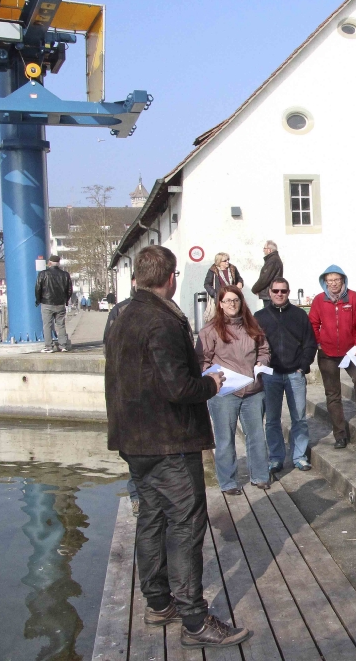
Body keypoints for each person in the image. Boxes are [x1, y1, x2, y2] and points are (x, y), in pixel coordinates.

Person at [105, 245, 250, 648]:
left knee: (152, 519)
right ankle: (195, 621)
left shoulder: (121, 315)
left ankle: (158, 603)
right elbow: (177, 387)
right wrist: (211, 383)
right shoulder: (162, 320)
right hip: (168, 439)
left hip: (134, 439)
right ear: (170, 278)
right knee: (186, 525)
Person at [196, 285, 272, 493]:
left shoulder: (252, 326)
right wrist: (211, 378)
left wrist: (262, 362)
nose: (232, 304)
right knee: (225, 438)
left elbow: (264, 350)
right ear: (220, 304)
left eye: (235, 300)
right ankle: (228, 482)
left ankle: (260, 476)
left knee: (256, 436)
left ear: (241, 302)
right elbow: (202, 360)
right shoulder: (210, 330)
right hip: (224, 392)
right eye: (227, 300)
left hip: (253, 390)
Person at [308, 267, 356, 450]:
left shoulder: (353, 298)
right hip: (327, 353)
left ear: (343, 280)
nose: (333, 284)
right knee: (333, 394)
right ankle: (339, 434)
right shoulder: (319, 300)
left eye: (336, 280)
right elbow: (313, 323)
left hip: (351, 350)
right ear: (325, 282)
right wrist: (318, 342)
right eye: (329, 280)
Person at [255, 278, 317, 470]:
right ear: (270, 292)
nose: (279, 294)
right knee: (272, 420)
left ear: (288, 292)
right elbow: (254, 345)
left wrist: (302, 366)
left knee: (299, 418)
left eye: (283, 291)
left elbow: (310, 343)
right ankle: (276, 458)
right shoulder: (259, 317)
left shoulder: (299, 315)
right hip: (270, 375)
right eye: (276, 291)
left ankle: (299, 456)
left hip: (294, 373)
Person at [105, 273, 139, 514]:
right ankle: (136, 496)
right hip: (129, 391)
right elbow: (109, 348)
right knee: (135, 450)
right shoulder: (120, 310)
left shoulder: (170, 309)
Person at [35, 254, 73, 352]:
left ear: (50, 263)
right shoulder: (65, 275)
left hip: (47, 303)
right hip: (60, 304)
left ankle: (49, 347)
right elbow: (69, 290)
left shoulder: (43, 274)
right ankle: (63, 346)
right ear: (58, 263)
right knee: (61, 325)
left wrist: (38, 300)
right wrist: (66, 300)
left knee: (47, 325)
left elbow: (38, 288)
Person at [252, 240, 284, 308]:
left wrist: (255, 289)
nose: (263, 250)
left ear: (269, 250)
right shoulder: (274, 259)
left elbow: (265, 278)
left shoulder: (272, 261)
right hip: (271, 294)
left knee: (270, 313)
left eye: (264, 248)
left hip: (269, 295)